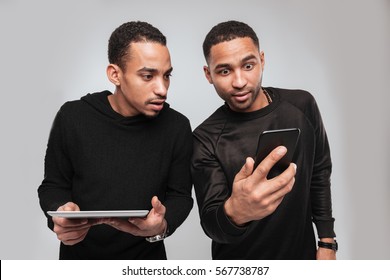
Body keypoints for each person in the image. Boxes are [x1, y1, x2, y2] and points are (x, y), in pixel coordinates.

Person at [38, 21, 193, 260]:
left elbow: (181, 196)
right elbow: (53, 186)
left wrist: (162, 226)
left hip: (146, 263)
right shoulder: (72, 117)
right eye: (147, 75)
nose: (162, 88)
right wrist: (60, 213)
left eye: (166, 75)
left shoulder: (177, 126)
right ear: (115, 74)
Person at [191, 20, 337, 260]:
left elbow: (319, 173)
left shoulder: (302, 105)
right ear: (209, 74)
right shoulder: (204, 138)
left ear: (262, 60)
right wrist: (235, 212)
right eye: (224, 71)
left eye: (248, 65)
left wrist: (327, 242)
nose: (239, 82)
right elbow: (211, 223)